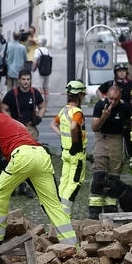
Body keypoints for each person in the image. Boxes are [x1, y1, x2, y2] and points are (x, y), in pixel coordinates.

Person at [0, 97, 76, 248]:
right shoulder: (12, 122)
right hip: (41, 155)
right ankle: (71, 244)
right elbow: (12, 164)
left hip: (22, 157)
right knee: (53, 204)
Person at [88, 84, 131, 218]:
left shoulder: (124, 107)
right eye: (110, 99)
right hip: (101, 138)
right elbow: (94, 127)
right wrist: (104, 117)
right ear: (107, 96)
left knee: (113, 176)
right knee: (99, 175)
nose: (112, 102)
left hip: (116, 140)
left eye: (116, 100)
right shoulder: (100, 105)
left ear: (120, 99)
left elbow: (128, 125)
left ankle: (110, 206)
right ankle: (94, 209)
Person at [50, 80, 87, 229]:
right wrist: (75, 142)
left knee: (63, 184)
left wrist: (62, 137)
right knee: (74, 184)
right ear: (80, 96)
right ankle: (64, 218)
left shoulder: (64, 110)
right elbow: (73, 127)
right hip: (76, 154)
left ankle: (56, 216)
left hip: (66, 153)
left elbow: (53, 125)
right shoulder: (76, 112)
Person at [1, 70, 45, 139]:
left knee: (32, 148)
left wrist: (39, 117)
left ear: (30, 80)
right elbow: (2, 109)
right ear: (19, 80)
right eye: (23, 79)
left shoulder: (35, 93)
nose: (26, 81)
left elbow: (42, 107)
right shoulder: (11, 94)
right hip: (16, 128)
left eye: (28, 79)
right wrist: (11, 120)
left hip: (31, 127)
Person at [32, 36, 53, 110]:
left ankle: (39, 107)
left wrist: (33, 69)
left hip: (39, 72)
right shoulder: (48, 51)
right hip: (47, 72)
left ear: (40, 42)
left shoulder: (37, 50)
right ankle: (45, 107)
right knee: (46, 89)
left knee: (39, 89)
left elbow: (35, 61)